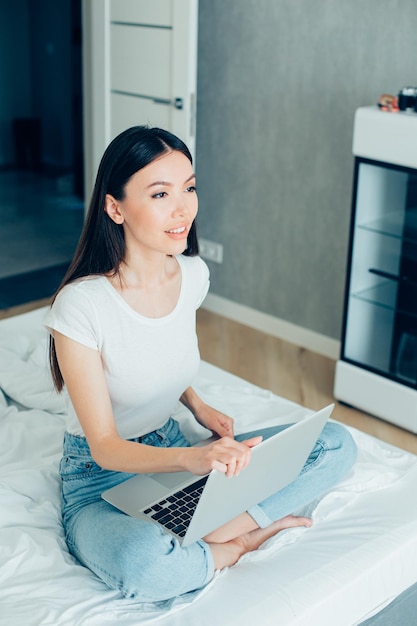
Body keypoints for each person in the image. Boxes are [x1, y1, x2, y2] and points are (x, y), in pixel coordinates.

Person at [45, 126, 357, 606]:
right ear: (115, 208)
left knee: (334, 445)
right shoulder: (81, 305)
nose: (183, 208)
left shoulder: (192, 275)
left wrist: (197, 405)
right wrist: (193, 459)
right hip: (99, 478)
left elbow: (157, 353)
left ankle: (193, 533)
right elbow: (105, 447)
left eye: (189, 187)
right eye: (160, 193)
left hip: (170, 449)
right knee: (145, 562)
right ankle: (236, 542)